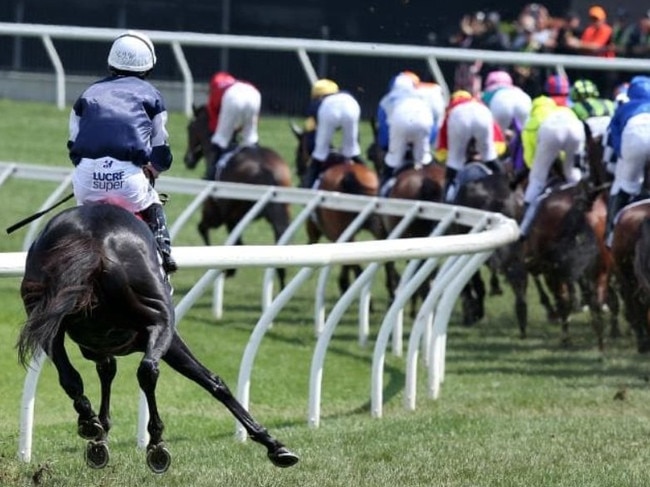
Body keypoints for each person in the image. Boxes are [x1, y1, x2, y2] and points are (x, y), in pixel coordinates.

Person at [67, 30, 177, 276]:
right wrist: (155, 168)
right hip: (128, 183)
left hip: (86, 179)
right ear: (148, 66)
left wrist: (91, 166)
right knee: (153, 201)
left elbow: (74, 147)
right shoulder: (152, 96)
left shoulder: (88, 93)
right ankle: (164, 255)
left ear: (110, 62)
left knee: (82, 216)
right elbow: (161, 149)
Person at [518, 95, 586, 239]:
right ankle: (581, 197)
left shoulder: (531, 121)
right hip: (575, 127)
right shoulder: (563, 110)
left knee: (537, 179)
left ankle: (523, 227)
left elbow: (531, 158)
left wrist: (540, 168)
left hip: (552, 131)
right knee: (571, 171)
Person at [434, 90, 507, 201]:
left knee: (454, 162)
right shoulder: (479, 104)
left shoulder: (452, 109)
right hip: (482, 115)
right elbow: (496, 134)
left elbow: (444, 141)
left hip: (460, 117)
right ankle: (506, 186)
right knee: (489, 156)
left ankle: (444, 199)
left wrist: (444, 157)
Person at [604, 75, 650, 247]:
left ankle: (610, 237)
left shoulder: (625, 107)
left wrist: (620, 159)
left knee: (626, 184)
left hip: (633, 141)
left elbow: (613, 139)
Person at [301, 78, 363, 188]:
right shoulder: (345, 95)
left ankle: (307, 188)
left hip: (329, 109)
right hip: (351, 104)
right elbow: (357, 137)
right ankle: (374, 181)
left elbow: (311, 139)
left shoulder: (316, 104)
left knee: (319, 154)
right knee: (352, 151)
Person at [379, 80, 435, 192]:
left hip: (400, 122)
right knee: (424, 159)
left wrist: (386, 147)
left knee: (392, 160)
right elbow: (433, 128)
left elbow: (384, 132)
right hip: (424, 120)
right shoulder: (423, 97)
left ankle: (383, 191)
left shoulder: (386, 100)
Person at [206, 71, 262, 181]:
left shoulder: (216, 90)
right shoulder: (238, 83)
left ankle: (212, 176)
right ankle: (258, 163)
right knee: (250, 138)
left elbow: (214, 122)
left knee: (220, 139)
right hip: (254, 93)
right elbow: (255, 120)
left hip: (232, 97)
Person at [481, 70, 532, 134]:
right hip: (523, 99)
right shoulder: (517, 90)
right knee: (524, 135)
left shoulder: (489, 93)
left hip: (501, 103)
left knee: (499, 136)